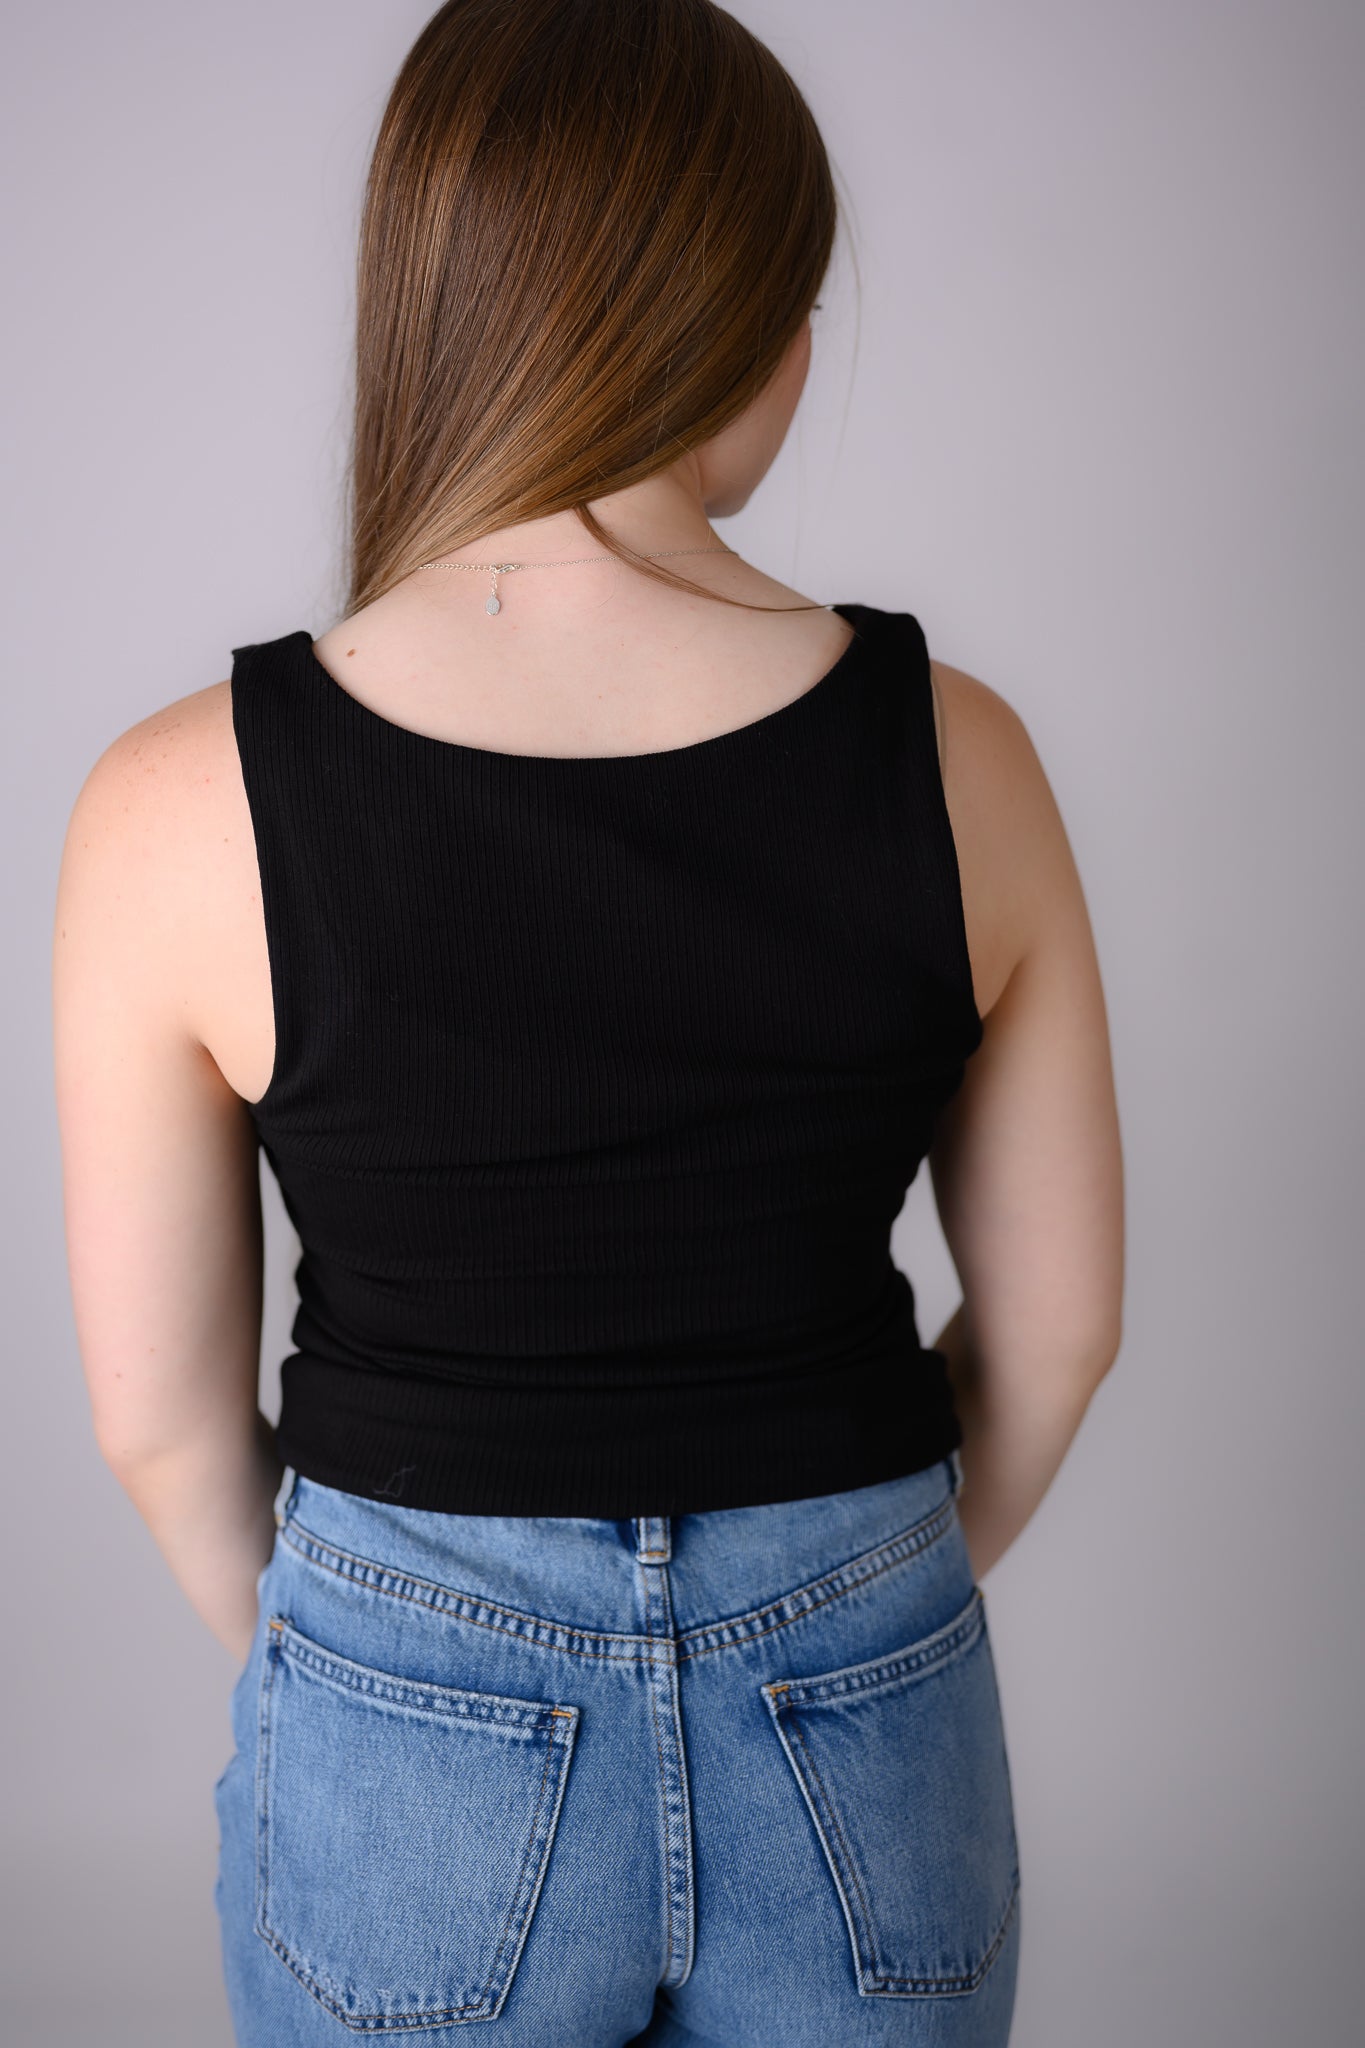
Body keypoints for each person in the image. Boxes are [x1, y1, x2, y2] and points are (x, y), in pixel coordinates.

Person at [51, 2, 1123, 2042]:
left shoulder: (173, 802)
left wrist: (378, 1659)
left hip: (409, 1676)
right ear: (750, 325)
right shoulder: (956, 753)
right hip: (863, 1679)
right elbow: (1058, 1332)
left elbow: (160, 1424)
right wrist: (843, 1609)